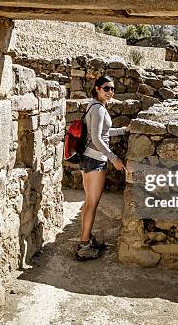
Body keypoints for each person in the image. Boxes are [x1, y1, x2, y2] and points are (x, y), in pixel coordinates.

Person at [75, 75, 129, 260]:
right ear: (97, 88)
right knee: (92, 203)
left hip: (88, 158)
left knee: (89, 201)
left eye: (112, 89)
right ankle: (83, 246)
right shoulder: (98, 109)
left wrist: (123, 130)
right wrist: (114, 158)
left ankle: (86, 239)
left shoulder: (95, 106)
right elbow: (97, 139)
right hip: (95, 160)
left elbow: (103, 133)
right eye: (106, 88)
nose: (110, 92)